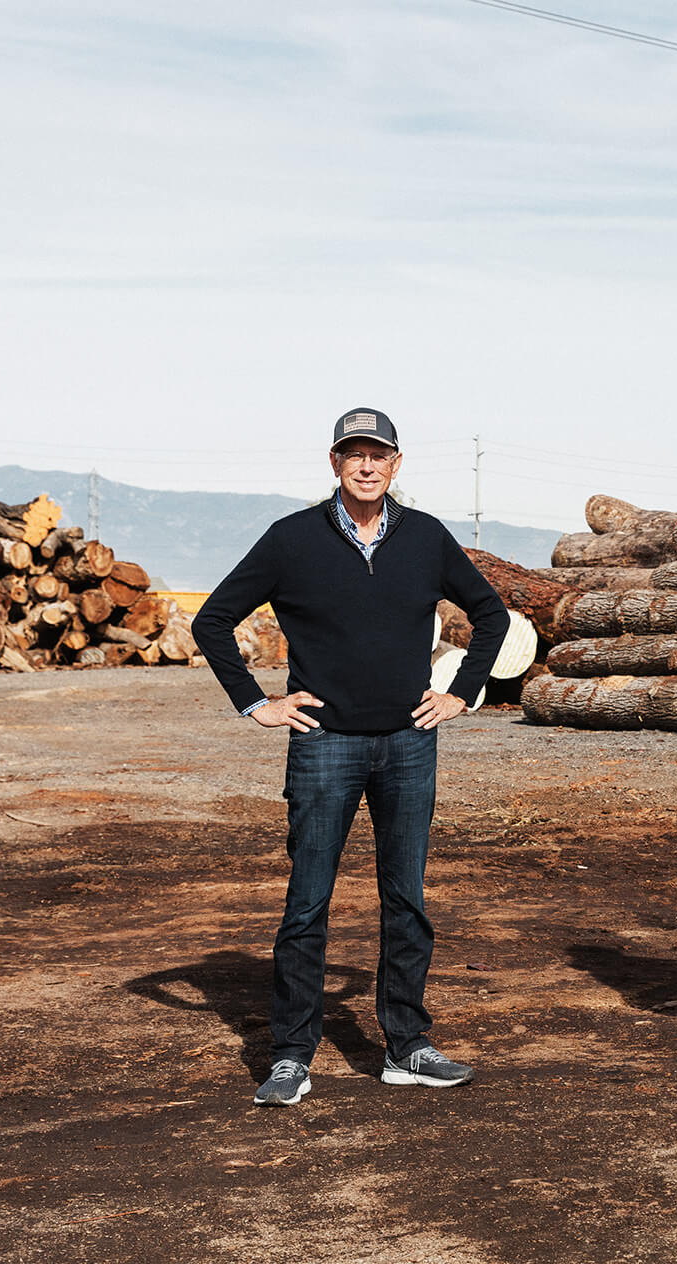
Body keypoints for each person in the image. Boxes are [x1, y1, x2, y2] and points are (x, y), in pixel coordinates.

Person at [192, 407, 509, 1107]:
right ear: (334, 463)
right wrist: (257, 703)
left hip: (407, 741)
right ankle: (291, 1057)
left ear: (397, 464)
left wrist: (459, 693)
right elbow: (211, 619)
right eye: (353, 454)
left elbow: (493, 615)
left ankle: (407, 1047)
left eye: (379, 454)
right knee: (307, 904)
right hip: (323, 744)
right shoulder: (292, 540)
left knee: (406, 899)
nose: (366, 466)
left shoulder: (425, 537)